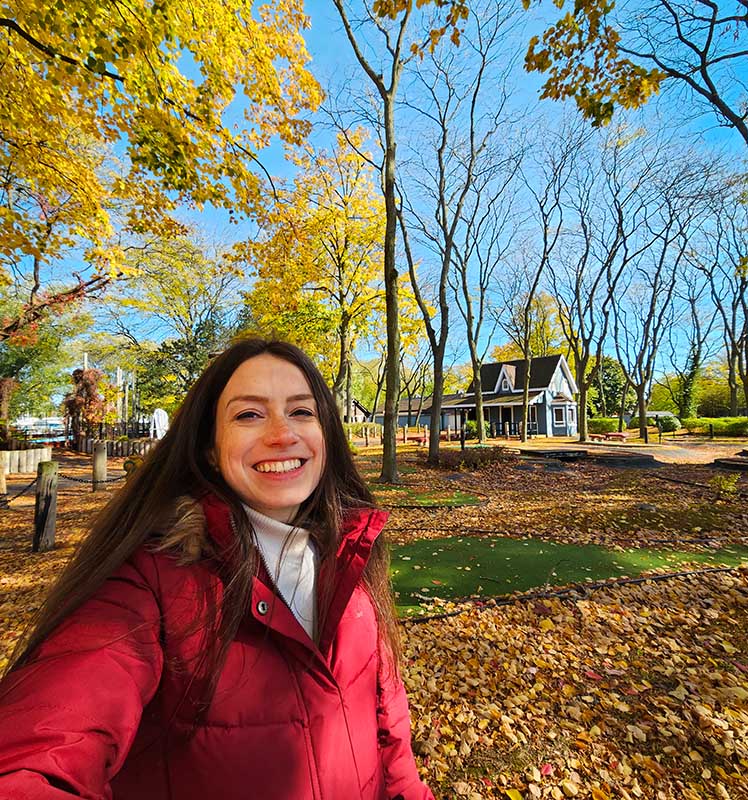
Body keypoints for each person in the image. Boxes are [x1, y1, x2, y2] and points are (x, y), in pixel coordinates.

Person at [0, 338, 434, 800]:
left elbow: (389, 732)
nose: (282, 434)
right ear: (210, 448)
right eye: (249, 414)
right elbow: (44, 748)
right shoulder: (148, 582)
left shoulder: (352, 557)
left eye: (302, 412)